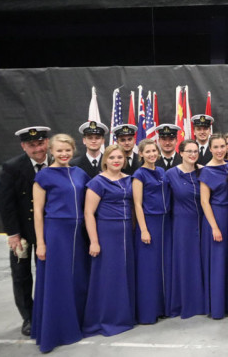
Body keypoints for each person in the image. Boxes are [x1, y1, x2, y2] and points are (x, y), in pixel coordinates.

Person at [30, 134, 89, 352]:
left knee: (78, 279)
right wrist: (41, 243)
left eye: (67, 150)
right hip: (56, 233)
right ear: (51, 152)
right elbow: (38, 213)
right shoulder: (44, 176)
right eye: (59, 151)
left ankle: (77, 324)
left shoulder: (80, 173)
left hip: (78, 233)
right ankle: (55, 331)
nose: (64, 154)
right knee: (58, 282)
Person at [0, 125, 50, 336]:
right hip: (23, 232)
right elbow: (5, 203)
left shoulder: (57, 162)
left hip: (48, 230)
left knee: (46, 272)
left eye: (40, 143)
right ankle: (28, 317)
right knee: (21, 275)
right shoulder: (13, 167)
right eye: (31, 145)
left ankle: (45, 311)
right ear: (23, 146)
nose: (37, 149)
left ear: (47, 142)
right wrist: (13, 233)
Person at [83, 144, 135, 336]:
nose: (116, 161)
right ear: (105, 160)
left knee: (125, 274)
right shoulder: (97, 182)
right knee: (109, 276)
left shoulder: (129, 179)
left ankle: (125, 315)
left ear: (125, 160)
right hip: (107, 232)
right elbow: (89, 213)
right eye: (112, 157)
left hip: (127, 233)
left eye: (120, 157)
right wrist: (94, 241)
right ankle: (107, 317)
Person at [132, 138, 171, 324]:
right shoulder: (139, 175)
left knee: (162, 267)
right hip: (150, 222)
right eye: (147, 152)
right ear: (141, 154)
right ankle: (148, 311)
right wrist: (143, 229)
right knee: (149, 268)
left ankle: (163, 306)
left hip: (165, 222)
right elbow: (137, 205)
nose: (152, 155)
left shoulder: (162, 171)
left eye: (154, 151)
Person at [166, 139, 205, 319]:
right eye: (188, 151)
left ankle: (204, 302)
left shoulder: (203, 171)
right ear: (180, 153)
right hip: (182, 224)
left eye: (195, 151)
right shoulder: (170, 174)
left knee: (202, 262)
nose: (192, 154)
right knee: (185, 262)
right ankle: (186, 302)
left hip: (204, 223)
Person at [199, 134, 228, 319]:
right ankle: (217, 306)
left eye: (223, 146)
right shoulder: (206, 171)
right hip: (216, 217)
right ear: (210, 149)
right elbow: (205, 202)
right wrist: (214, 226)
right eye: (217, 147)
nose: (220, 150)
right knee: (218, 262)